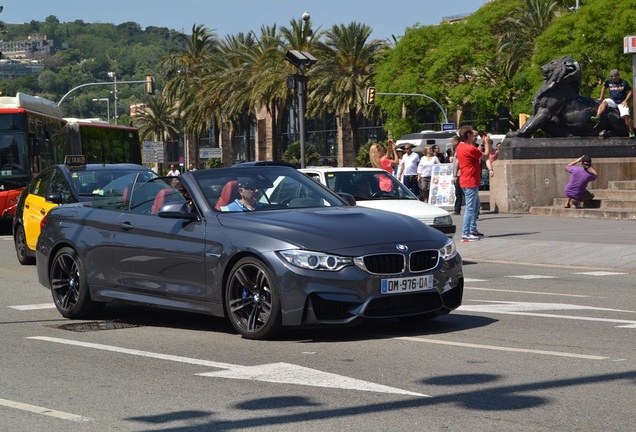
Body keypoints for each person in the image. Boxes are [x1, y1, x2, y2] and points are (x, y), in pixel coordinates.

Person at [456, 126, 491, 241]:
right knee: (470, 208)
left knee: (475, 206)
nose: (474, 136)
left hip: (468, 180)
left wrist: (481, 143)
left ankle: (472, 229)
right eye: (472, 134)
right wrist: (487, 144)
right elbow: (485, 155)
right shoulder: (469, 148)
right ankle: (466, 233)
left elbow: (476, 153)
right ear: (468, 135)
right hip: (470, 181)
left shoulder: (461, 147)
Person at [591, 69, 635, 139]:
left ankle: (631, 131)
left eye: (614, 76)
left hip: (621, 102)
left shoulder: (624, 82)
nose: (613, 77)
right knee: (604, 102)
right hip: (613, 101)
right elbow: (604, 88)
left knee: (626, 115)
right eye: (612, 76)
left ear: (618, 75)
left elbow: (630, 92)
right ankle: (598, 116)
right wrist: (601, 97)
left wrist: (626, 101)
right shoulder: (609, 81)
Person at [450, 135, 463, 215]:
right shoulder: (456, 150)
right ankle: (457, 209)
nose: (451, 143)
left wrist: (455, 174)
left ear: (456, 141)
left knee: (462, 192)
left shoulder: (459, 149)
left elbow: (458, 162)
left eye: (452, 141)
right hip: (457, 174)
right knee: (458, 193)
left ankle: (474, 210)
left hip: (460, 174)